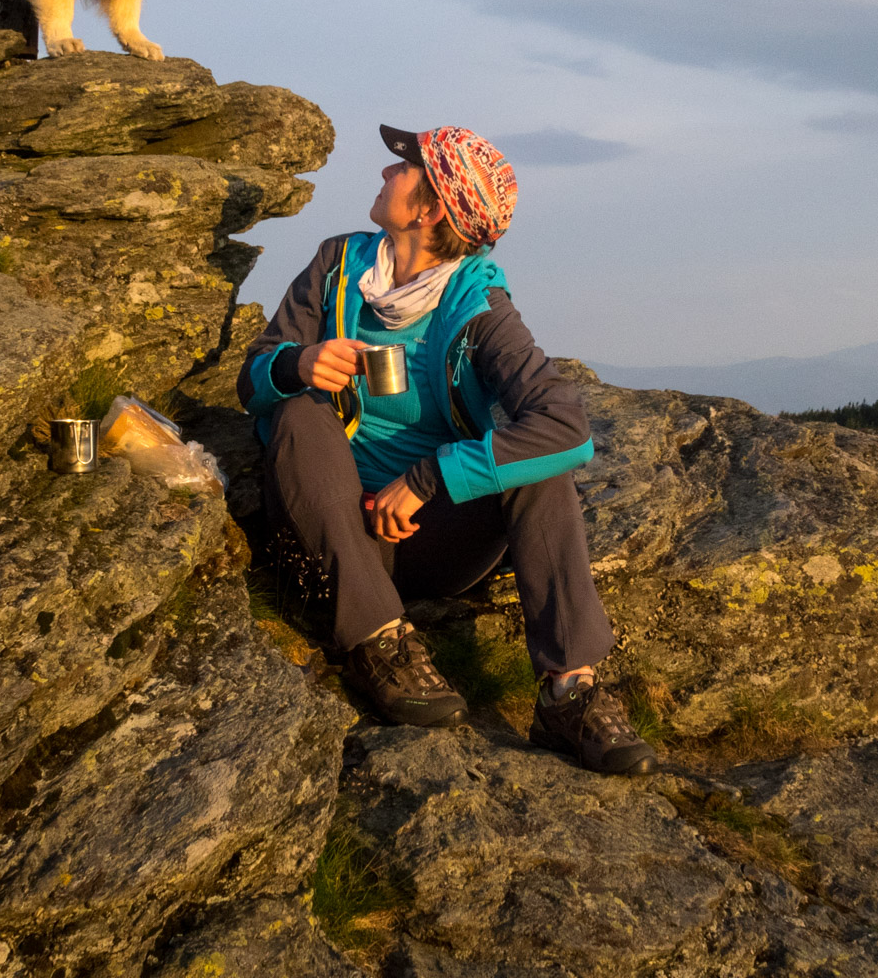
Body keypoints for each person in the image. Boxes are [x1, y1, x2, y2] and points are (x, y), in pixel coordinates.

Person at [236, 125, 655, 775]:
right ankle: (381, 644)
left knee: (537, 471)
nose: (383, 173)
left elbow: (566, 429)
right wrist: (297, 363)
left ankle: (571, 694)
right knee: (297, 412)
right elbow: (253, 379)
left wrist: (432, 478)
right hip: (337, 529)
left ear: (429, 210)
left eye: (401, 168)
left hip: (433, 535)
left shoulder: (477, 305)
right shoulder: (335, 267)